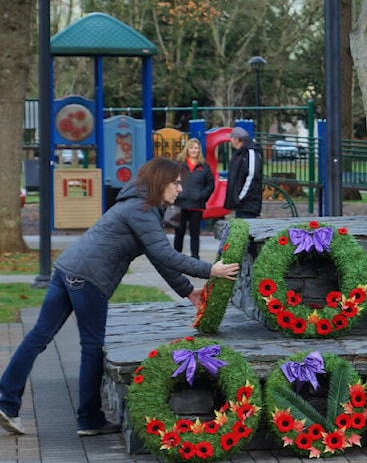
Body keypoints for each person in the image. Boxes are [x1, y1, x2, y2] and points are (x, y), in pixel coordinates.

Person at [0, 157, 239, 437]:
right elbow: (165, 254)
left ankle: (6, 401)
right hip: (89, 279)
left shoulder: (139, 205)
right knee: (91, 346)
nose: (179, 189)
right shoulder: (140, 209)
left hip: (68, 270)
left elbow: (157, 257)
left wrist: (187, 291)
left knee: (38, 337)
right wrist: (210, 269)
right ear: (159, 182)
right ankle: (89, 419)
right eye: (175, 183)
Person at [173, 138, 215, 259]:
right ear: (187, 149)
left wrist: (201, 196)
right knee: (179, 233)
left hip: (196, 205)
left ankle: (195, 257)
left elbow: (210, 185)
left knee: (194, 234)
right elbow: (171, 180)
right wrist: (176, 194)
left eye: (196, 148)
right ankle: (176, 257)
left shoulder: (204, 166)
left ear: (199, 150)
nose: (193, 150)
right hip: (180, 204)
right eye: (191, 148)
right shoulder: (179, 165)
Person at [224, 126, 263, 219]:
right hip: (241, 203)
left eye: (232, 138)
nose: (230, 140)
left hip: (247, 203)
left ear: (236, 139)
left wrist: (240, 197)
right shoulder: (240, 153)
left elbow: (252, 176)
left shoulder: (250, 152)